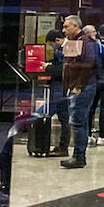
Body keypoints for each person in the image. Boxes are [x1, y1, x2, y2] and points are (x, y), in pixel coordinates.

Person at [60, 15, 97, 169]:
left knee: (77, 122)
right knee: (79, 121)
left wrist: (79, 86)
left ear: (76, 26)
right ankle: (78, 155)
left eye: (67, 26)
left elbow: (88, 65)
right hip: (76, 85)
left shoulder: (85, 42)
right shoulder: (74, 42)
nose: (63, 30)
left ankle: (79, 156)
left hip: (83, 86)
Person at [42, 28, 71, 157]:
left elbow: (65, 70)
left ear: (57, 40)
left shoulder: (69, 49)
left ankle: (63, 147)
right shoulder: (60, 50)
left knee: (63, 117)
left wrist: (48, 68)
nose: (52, 48)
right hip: (59, 87)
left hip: (63, 88)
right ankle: (61, 146)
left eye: (52, 44)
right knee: (63, 117)